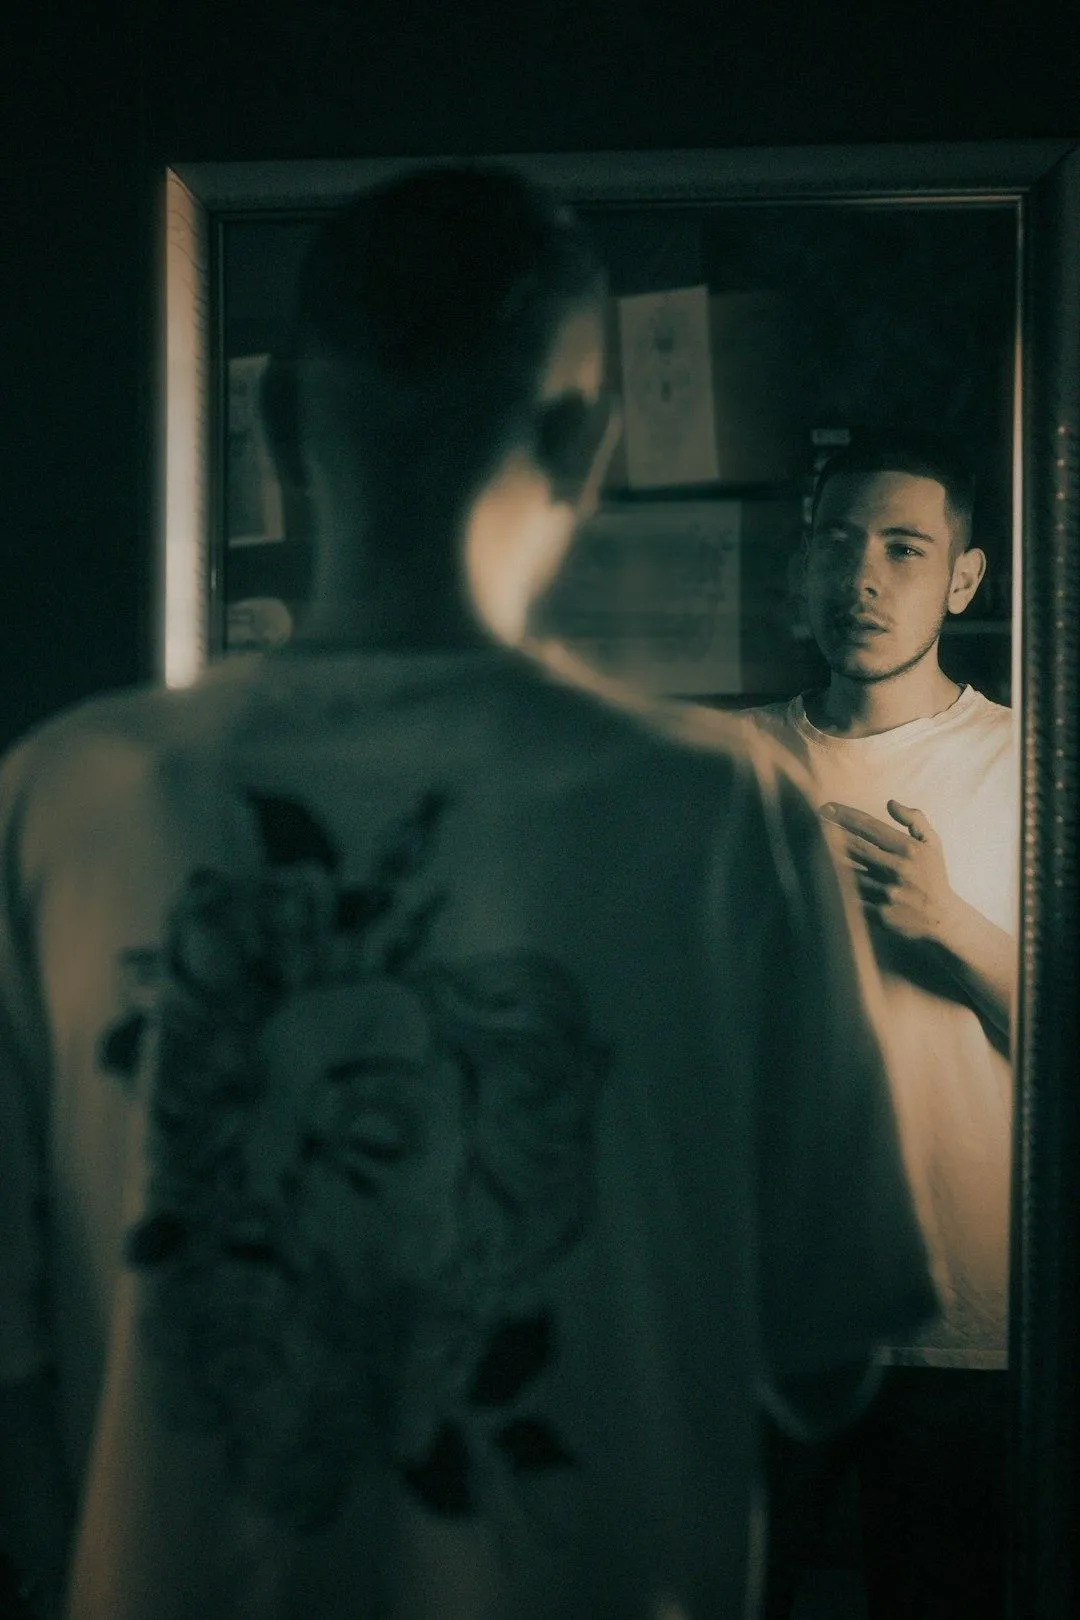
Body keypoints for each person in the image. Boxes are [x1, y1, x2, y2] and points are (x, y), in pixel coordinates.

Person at [0, 166, 938, 1620]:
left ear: (277, 421)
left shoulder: (63, 796)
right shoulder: (721, 810)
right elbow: (828, 1357)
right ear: (588, 443)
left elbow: (10, 1383)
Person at [742, 430, 1018, 1620]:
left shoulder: (1033, 767)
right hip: (772, 1306)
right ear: (801, 562)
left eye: (904, 548)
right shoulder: (728, 765)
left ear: (963, 580)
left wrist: (946, 926)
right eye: (837, 542)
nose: (862, 578)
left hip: (967, 1316)